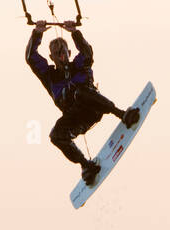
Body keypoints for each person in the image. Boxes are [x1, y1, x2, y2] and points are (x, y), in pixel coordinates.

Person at [25, 20, 140, 186]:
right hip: (76, 119)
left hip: (93, 107)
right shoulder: (49, 76)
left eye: (64, 52)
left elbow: (87, 52)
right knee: (55, 136)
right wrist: (37, 33)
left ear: (69, 52)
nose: (61, 56)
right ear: (51, 57)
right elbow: (31, 58)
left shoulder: (79, 66)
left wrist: (74, 33)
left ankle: (123, 115)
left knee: (79, 91)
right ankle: (87, 166)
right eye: (57, 53)